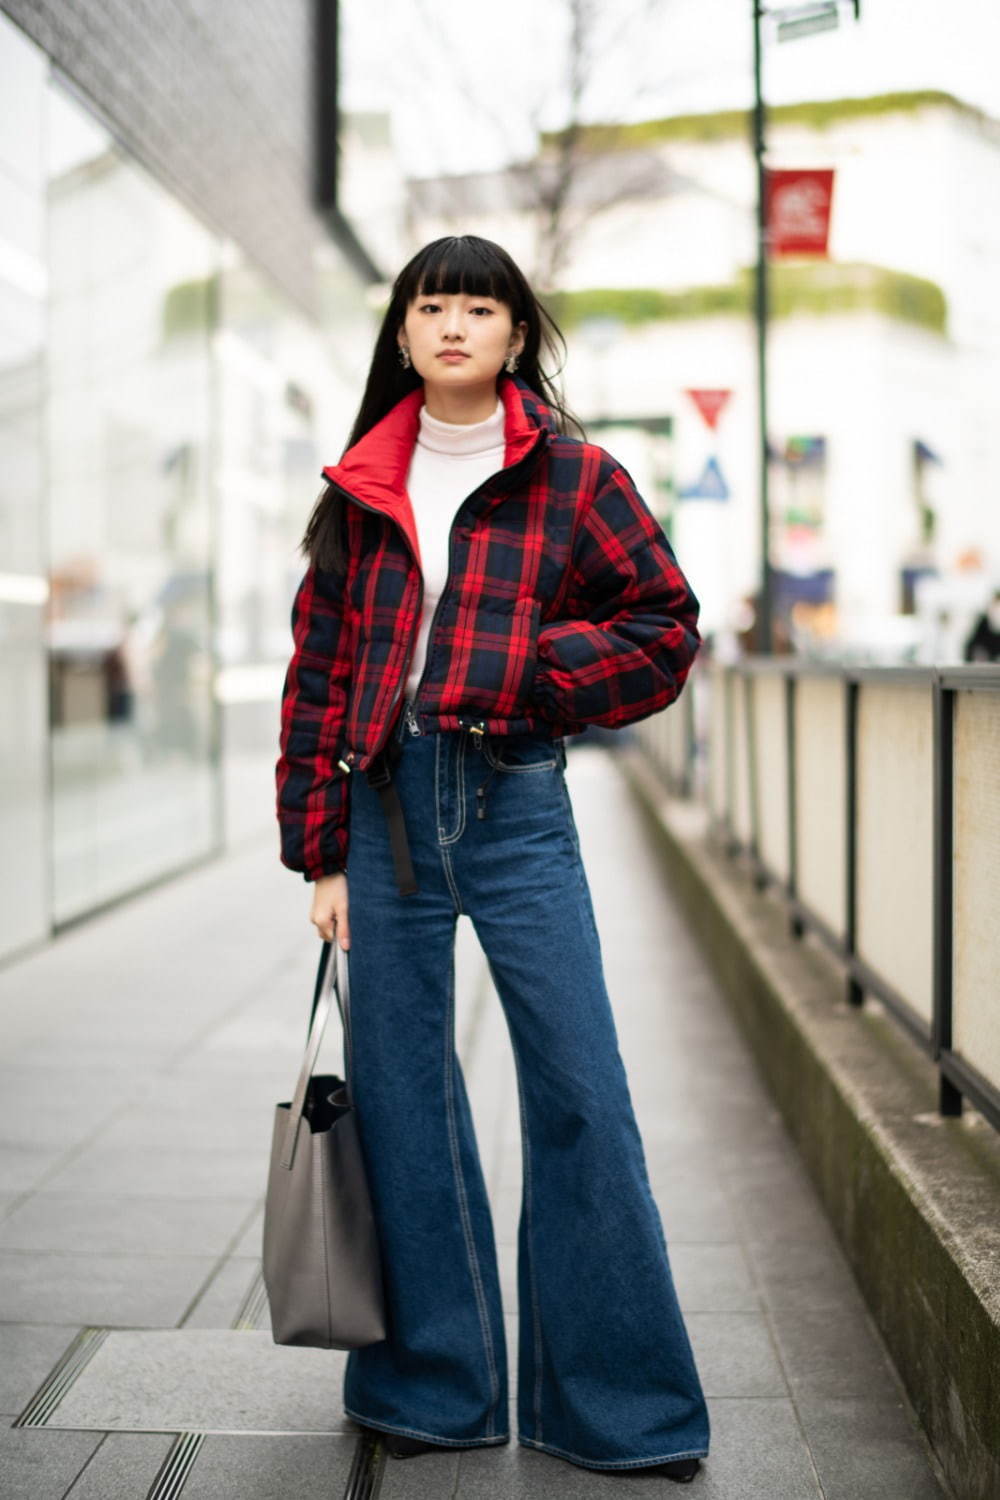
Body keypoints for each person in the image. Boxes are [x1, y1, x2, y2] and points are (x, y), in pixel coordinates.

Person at [275, 235, 709, 1482]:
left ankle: (616, 1410)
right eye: (432, 306)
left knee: (581, 1096)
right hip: (383, 811)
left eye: (480, 306)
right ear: (401, 333)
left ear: (518, 333)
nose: (454, 324)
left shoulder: (576, 476)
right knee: (404, 1103)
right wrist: (321, 854)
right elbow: (318, 677)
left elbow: (663, 628)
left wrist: (530, 675)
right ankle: (432, 1388)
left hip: (514, 805)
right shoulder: (361, 481)